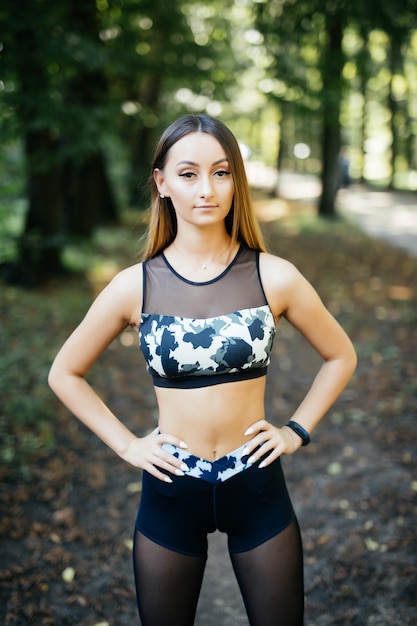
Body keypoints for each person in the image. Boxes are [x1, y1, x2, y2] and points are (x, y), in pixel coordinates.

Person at [48, 114, 357, 626]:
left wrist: (296, 431)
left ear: (236, 179)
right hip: (172, 488)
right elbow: (65, 372)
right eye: (188, 174)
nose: (206, 189)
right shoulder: (134, 286)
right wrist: (128, 445)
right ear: (162, 183)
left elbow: (341, 354)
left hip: (256, 485)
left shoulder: (274, 275)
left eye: (221, 172)